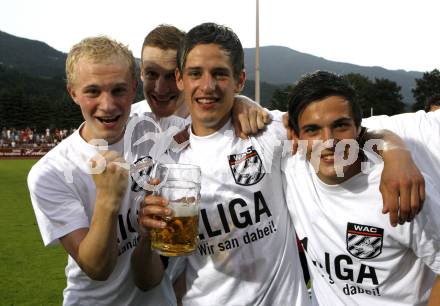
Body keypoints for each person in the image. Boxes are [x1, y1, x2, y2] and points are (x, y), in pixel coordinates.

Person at [140, 22, 310, 306]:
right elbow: (147, 280)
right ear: (181, 79)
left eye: (219, 74)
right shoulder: (168, 161)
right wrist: (146, 237)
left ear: (240, 80)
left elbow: (349, 135)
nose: (207, 86)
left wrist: (394, 152)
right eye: (196, 74)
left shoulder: (269, 132)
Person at [27, 36, 178, 306]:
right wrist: (108, 199)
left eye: (118, 90)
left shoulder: (155, 126)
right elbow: (97, 269)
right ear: (73, 92)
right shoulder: (51, 172)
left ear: (134, 88)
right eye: (93, 91)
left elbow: (207, 103)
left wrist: (241, 104)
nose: (107, 105)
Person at [283, 71, 440, 305]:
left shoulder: (402, 188)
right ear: (295, 135)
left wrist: (397, 154)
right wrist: (242, 104)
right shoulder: (290, 168)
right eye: (313, 130)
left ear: (359, 128)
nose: (328, 142)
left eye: (340, 126)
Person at [131, 24, 269, 139]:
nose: (160, 89)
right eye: (151, 74)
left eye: (170, 76)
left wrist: (237, 101)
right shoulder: (126, 122)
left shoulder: (224, 120)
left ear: (180, 77)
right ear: (141, 72)